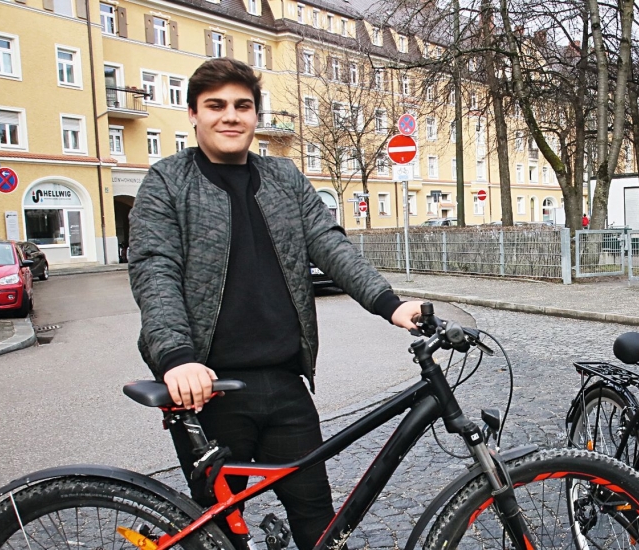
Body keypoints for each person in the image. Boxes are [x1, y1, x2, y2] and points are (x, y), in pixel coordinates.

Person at [128, 58, 424, 550]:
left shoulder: (283, 177)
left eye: (242, 106)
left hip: (286, 385)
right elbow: (153, 272)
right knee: (220, 532)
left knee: (318, 524)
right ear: (193, 115)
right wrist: (176, 358)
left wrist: (390, 303)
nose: (230, 116)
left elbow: (332, 246)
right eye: (215, 105)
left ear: (255, 115)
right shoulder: (167, 181)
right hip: (209, 389)